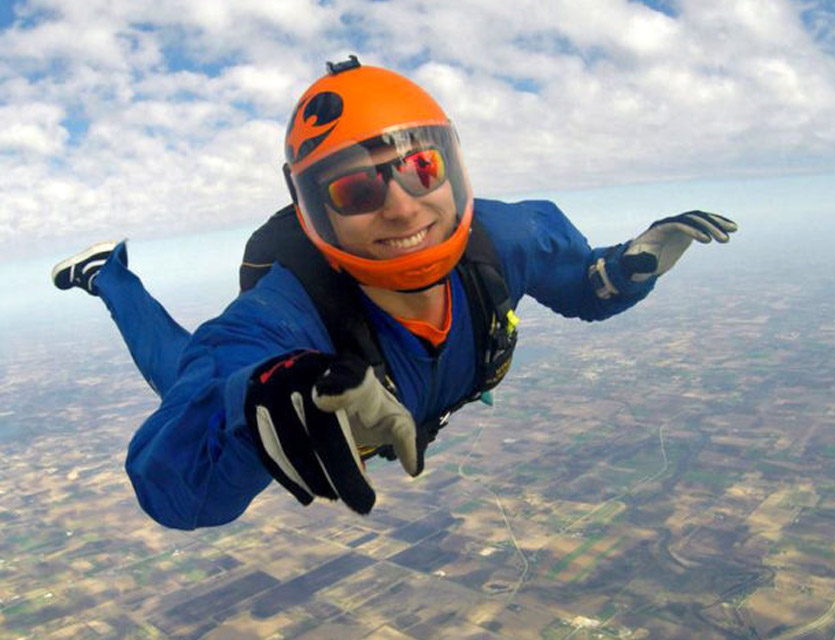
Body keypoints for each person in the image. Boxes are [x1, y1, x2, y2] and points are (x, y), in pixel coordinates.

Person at [52, 56, 737, 530]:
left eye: (421, 166)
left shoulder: (507, 238)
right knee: (182, 372)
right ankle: (109, 275)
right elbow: (176, 490)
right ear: (312, 208)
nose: (404, 206)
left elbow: (585, 286)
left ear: (453, 165)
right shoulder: (282, 317)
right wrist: (259, 403)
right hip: (274, 362)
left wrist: (631, 267)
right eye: (355, 189)